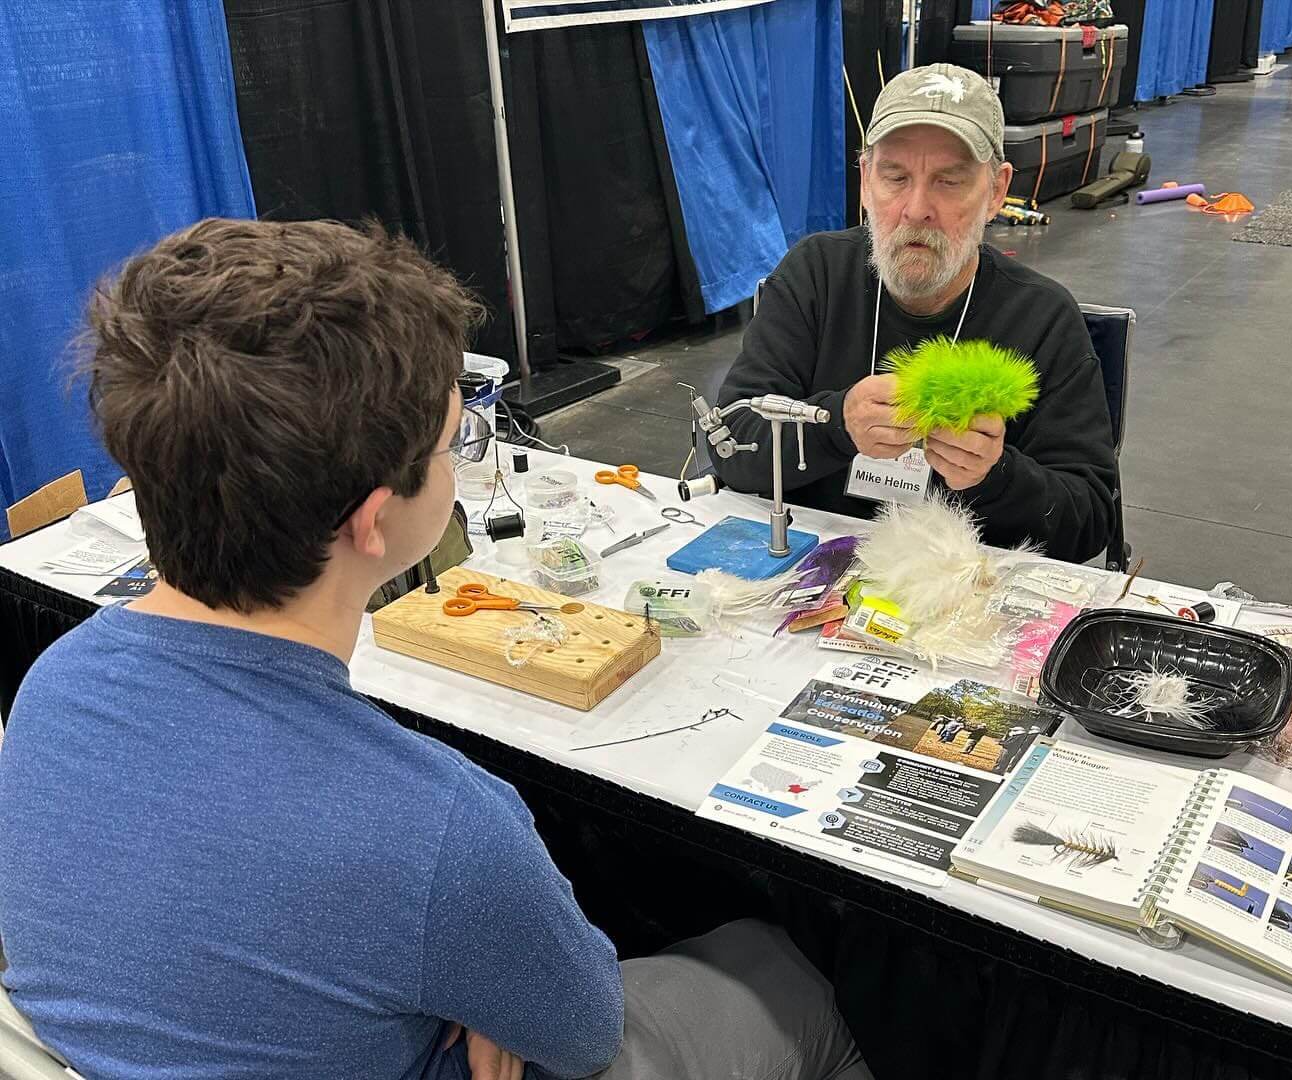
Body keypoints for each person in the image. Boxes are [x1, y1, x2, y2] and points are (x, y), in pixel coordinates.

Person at [0, 219, 869, 1080]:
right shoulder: (441, 828)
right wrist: (471, 971)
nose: (457, 465)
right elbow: (585, 1036)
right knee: (781, 976)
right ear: (374, 521)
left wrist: (445, 969)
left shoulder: (50, 688)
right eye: (454, 441)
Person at [712, 63, 1116, 563]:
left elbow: (1090, 521)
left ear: (995, 191)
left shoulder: (1043, 318)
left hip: (960, 593)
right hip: (807, 567)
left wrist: (997, 475)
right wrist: (835, 424)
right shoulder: (815, 275)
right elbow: (731, 444)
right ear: (865, 182)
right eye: (895, 177)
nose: (916, 208)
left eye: (949, 181)